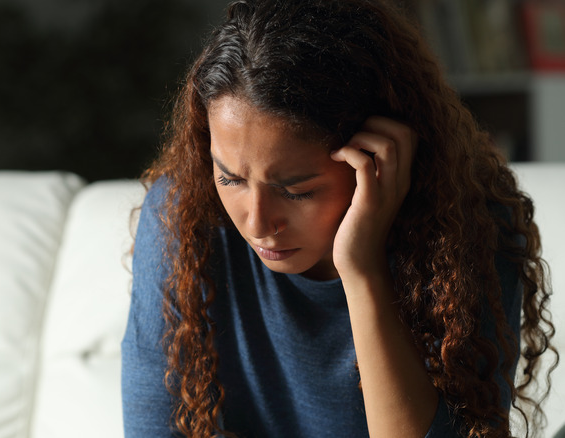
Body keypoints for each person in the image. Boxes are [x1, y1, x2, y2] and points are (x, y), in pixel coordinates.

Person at [121, 0, 557, 437]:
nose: (257, 223)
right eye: (230, 179)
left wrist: (362, 269)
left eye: (296, 190)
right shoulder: (181, 216)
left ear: (373, 155)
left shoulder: (470, 225)